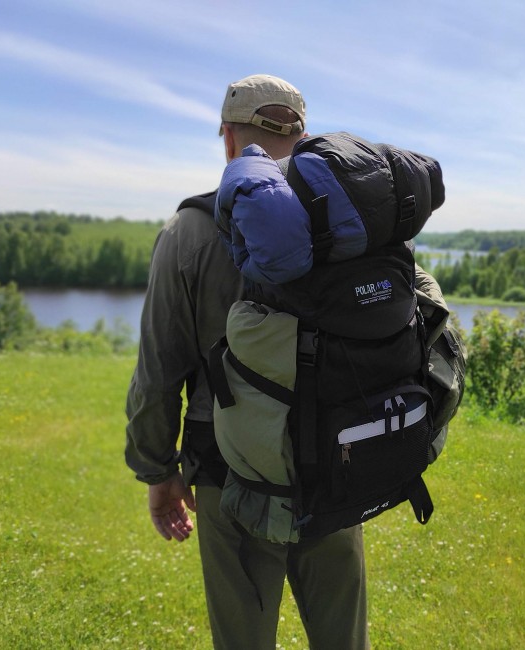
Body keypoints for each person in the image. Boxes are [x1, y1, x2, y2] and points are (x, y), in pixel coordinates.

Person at [125, 74, 370, 650]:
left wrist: (158, 471)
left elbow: (159, 370)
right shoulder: (347, 227)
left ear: (229, 140)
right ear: (305, 138)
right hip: (336, 464)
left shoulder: (188, 233)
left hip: (227, 470)